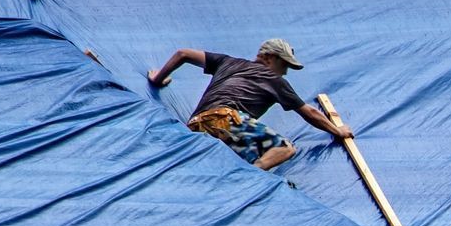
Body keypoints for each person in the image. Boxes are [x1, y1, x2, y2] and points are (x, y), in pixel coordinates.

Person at [147, 39, 352, 171]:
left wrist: (158, 79)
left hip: (197, 125)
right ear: (269, 57)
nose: (286, 72)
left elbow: (183, 53)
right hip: (225, 118)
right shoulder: (274, 79)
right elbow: (308, 112)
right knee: (284, 149)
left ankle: (248, 172)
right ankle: (252, 180)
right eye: (285, 65)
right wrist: (337, 130)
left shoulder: (228, 62)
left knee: (248, 157)